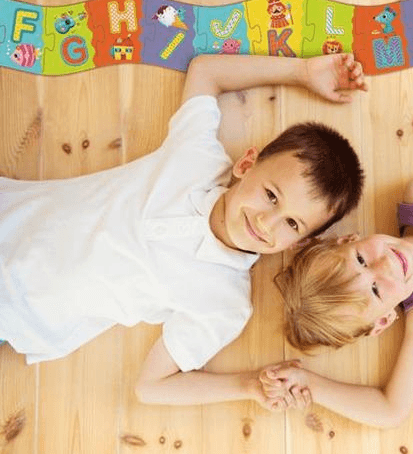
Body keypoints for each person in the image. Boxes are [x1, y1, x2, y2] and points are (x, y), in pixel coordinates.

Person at [0, 53, 367, 408]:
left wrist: (249, 386)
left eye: (291, 223)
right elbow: (206, 71)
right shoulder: (196, 156)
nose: (265, 222)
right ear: (246, 164)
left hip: (20, 313)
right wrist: (300, 72)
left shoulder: (224, 305)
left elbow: (152, 387)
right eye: (270, 195)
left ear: (299, 242)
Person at [260, 159, 413, 426]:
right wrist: (311, 385)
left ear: (349, 239)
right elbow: (390, 410)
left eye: (361, 259)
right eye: (375, 291)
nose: (385, 265)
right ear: (383, 320)